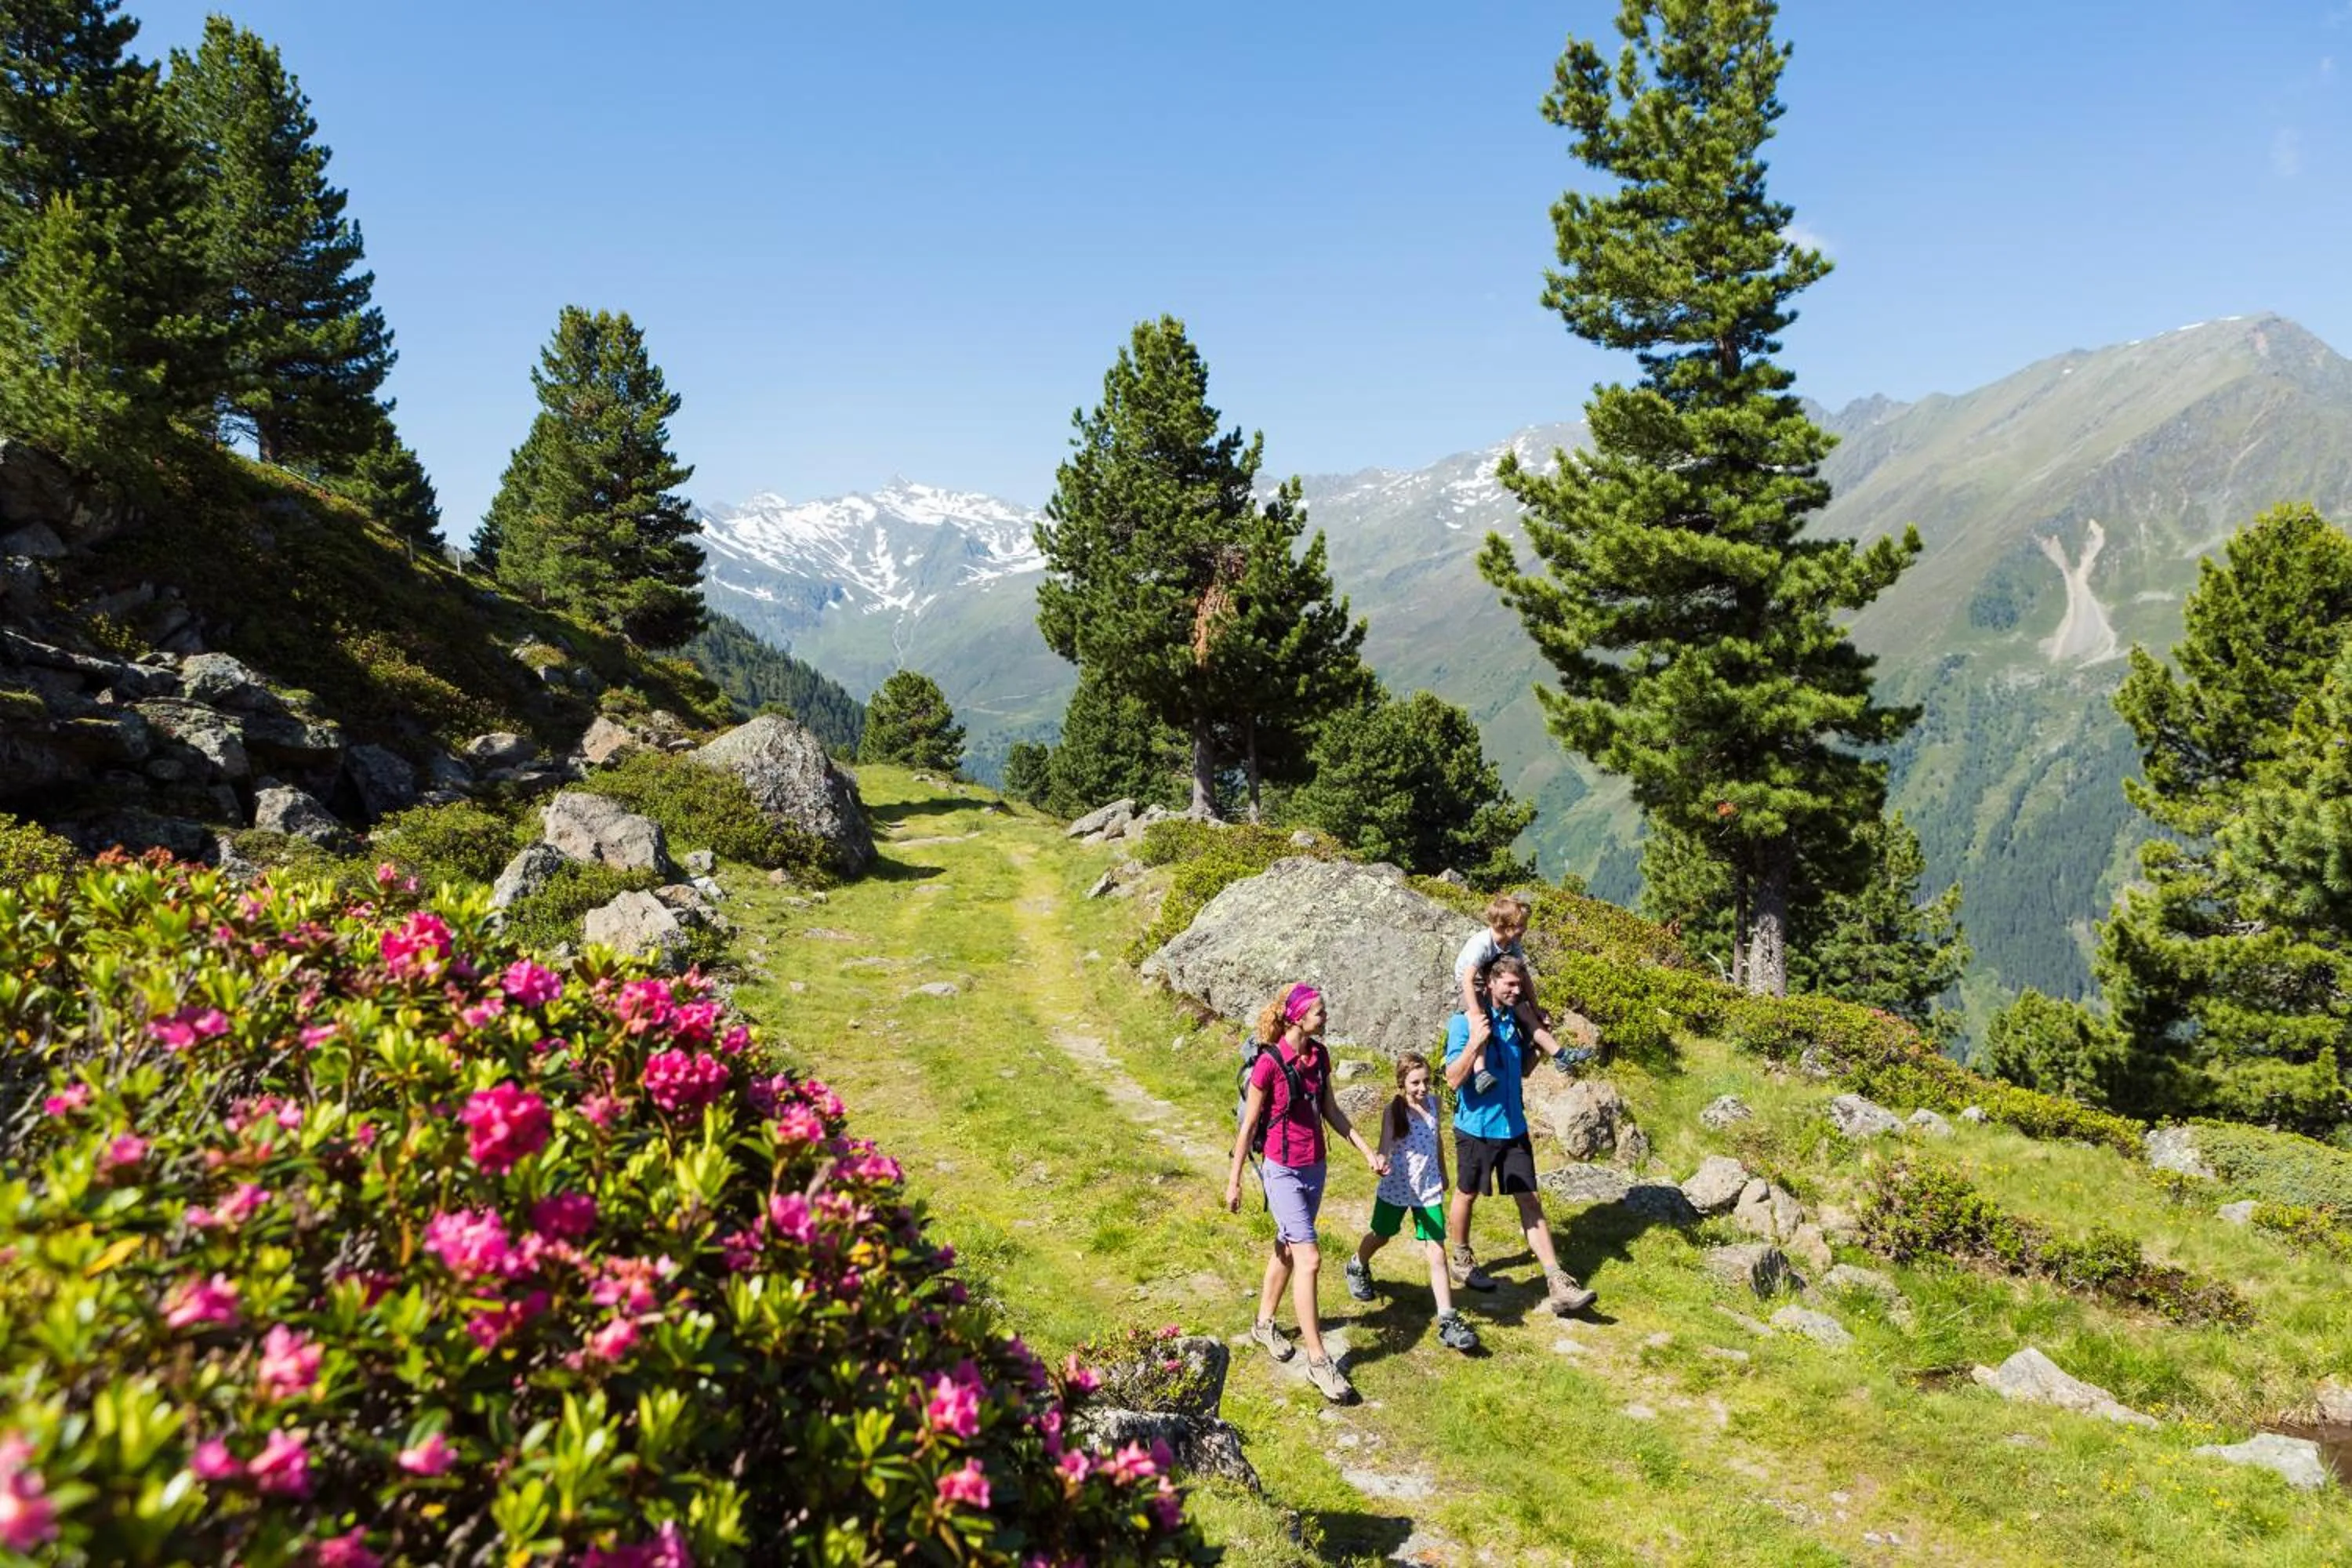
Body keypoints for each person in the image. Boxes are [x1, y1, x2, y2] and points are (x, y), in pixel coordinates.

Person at [1224, 982, 1389, 1403]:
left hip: (1315, 1166)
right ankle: (1319, 1361)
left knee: (1287, 1246)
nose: (1325, 1016)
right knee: (1309, 1258)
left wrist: (1367, 1150)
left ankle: (1263, 1324)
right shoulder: (1269, 1064)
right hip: (1281, 1171)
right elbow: (1249, 1126)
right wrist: (1235, 1178)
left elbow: (1330, 1110)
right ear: (1297, 1016)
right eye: (1319, 1011)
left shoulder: (1320, 1056)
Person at [1443, 956, 1597, 1314]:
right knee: (1466, 1194)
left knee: (1529, 1200)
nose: (1516, 991)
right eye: (1509, 985)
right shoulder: (1464, 1022)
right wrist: (1474, 1043)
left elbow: (1524, 1071)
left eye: (1519, 984)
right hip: (1476, 1127)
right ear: (1491, 983)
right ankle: (1462, 1258)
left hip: (1514, 1126)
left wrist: (1537, 1048)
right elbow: (1452, 1079)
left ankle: (1557, 1281)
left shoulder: (1515, 1022)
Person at [1345, 1051, 1479, 1352]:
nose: (1422, 1088)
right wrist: (1379, 1161)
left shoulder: (1435, 1104)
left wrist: (1444, 1172)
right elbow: (1383, 1147)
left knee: (1437, 1251)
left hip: (1428, 1189)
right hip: (1397, 1187)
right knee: (1382, 1235)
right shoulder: (1394, 1111)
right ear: (1402, 1083)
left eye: (1426, 1081)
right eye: (1415, 1082)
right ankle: (1356, 1265)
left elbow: (1436, 1140)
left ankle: (1447, 1319)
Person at [1456, 895, 1577, 1072]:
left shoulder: (1512, 943)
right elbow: (1467, 979)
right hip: (1474, 982)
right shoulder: (1482, 945)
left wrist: (1536, 1008)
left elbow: (1524, 976)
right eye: (1521, 925)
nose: (1525, 929)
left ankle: (1559, 1054)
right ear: (1506, 927)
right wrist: (1475, 1012)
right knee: (1480, 1021)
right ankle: (1480, 1069)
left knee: (1526, 1013)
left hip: (1495, 978)